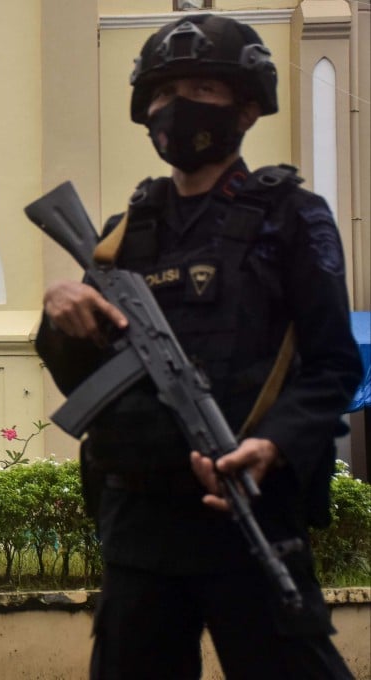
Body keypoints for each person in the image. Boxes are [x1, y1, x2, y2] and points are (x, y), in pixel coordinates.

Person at [35, 14, 363, 680]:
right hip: (140, 527)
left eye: (199, 90)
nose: (173, 108)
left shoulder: (292, 216)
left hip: (248, 512)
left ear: (246, 108)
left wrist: (272, 444)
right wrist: (59, 317)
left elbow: (334, 367)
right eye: (161, 93)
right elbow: (84, 378)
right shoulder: (123, 233)